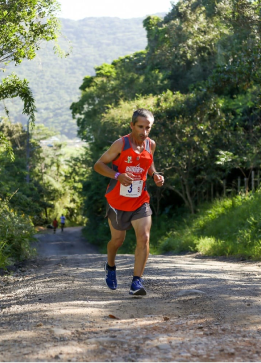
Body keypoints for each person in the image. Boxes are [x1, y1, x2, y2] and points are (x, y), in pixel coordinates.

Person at [94, 108, 164, 296]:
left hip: (140, 200)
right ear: (132, 125)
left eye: (148, 127)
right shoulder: (121, 144)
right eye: (140, 127)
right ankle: (110, 265)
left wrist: (155, 175)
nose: (144, 131)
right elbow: (98, 165)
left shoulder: (151, 144)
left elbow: (148, 164)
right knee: (117, 240)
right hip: (117, 201)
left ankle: (136, 282)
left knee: (144, 237)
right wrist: (117, 175)